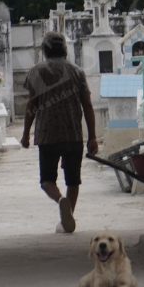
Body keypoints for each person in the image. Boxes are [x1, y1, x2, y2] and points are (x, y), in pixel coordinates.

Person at [20, 32, 98, 233]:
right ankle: (67, 218)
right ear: (64, 49)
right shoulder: (77, 72)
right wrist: (93, 137)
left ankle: (60, 200)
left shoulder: (36, 72)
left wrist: (26, 133)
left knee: (47, 181)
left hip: (47, 135)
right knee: (73, 180)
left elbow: (31, 105)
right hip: (73, 134)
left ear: (44, 50)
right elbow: (87, 105)